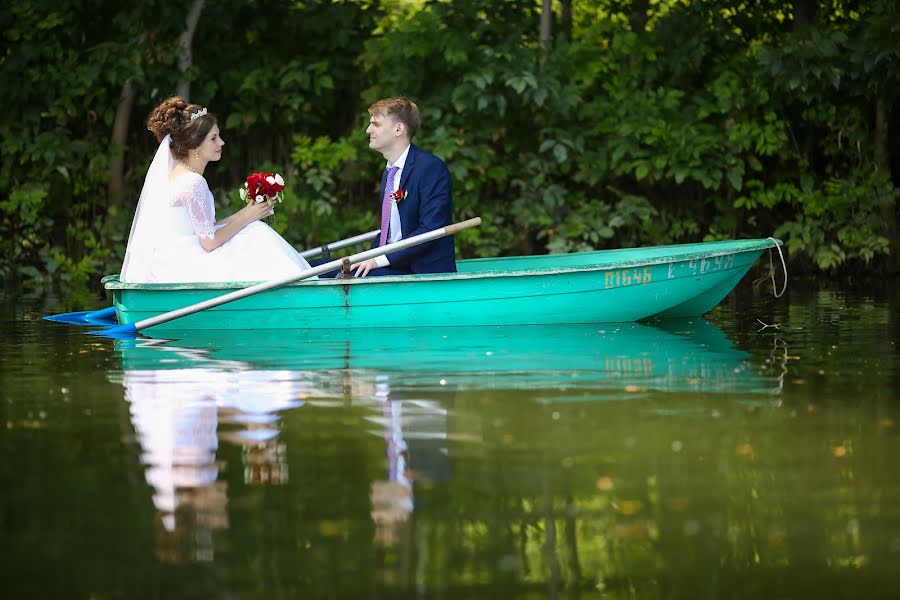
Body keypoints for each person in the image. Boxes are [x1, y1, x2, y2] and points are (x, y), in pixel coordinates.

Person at [120, 96, 313, 283]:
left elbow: (206, 228)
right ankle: (299, 287)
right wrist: (248, 218)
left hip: (177, 257)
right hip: (184, 264)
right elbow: (209, 242)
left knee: (254, 229)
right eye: (213, 138)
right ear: (195, 145)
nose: (221, 143)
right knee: (257, 234)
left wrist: (248, 212)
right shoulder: (193, 182)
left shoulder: (179, 175)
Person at [350, 97, 456, 277]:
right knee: (315, 267)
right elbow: (388, 233)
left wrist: (378, 260)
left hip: (420, 270)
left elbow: (431, 229)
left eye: (375, 124)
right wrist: (367, 258)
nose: (368, 130)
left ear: (398, 129)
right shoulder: (390, 173)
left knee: (344, 279)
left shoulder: (430, 168)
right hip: (393, 263)